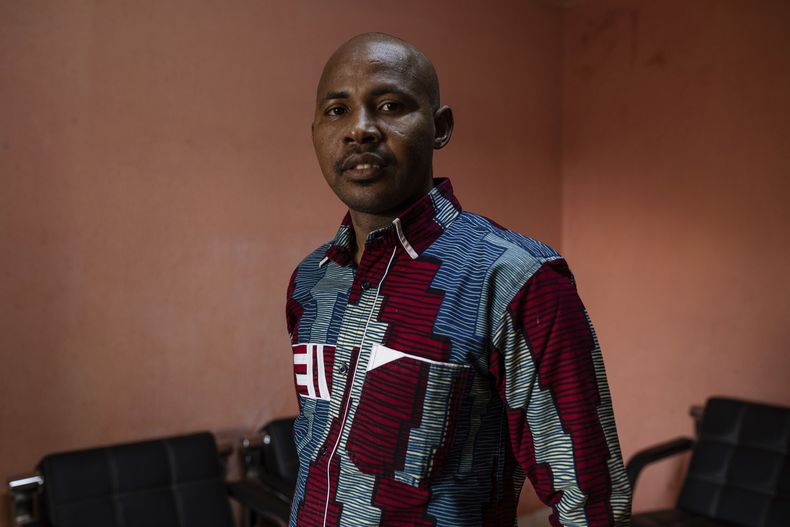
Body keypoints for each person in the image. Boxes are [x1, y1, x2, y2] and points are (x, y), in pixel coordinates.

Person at [285, 32, 631, 527]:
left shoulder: (517, 280)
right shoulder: (311, 281)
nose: (359, 129)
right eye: (337, 110)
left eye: (389, 105)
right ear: (316, 130)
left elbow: (593, 504)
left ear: (439, 127)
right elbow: (314, 449)